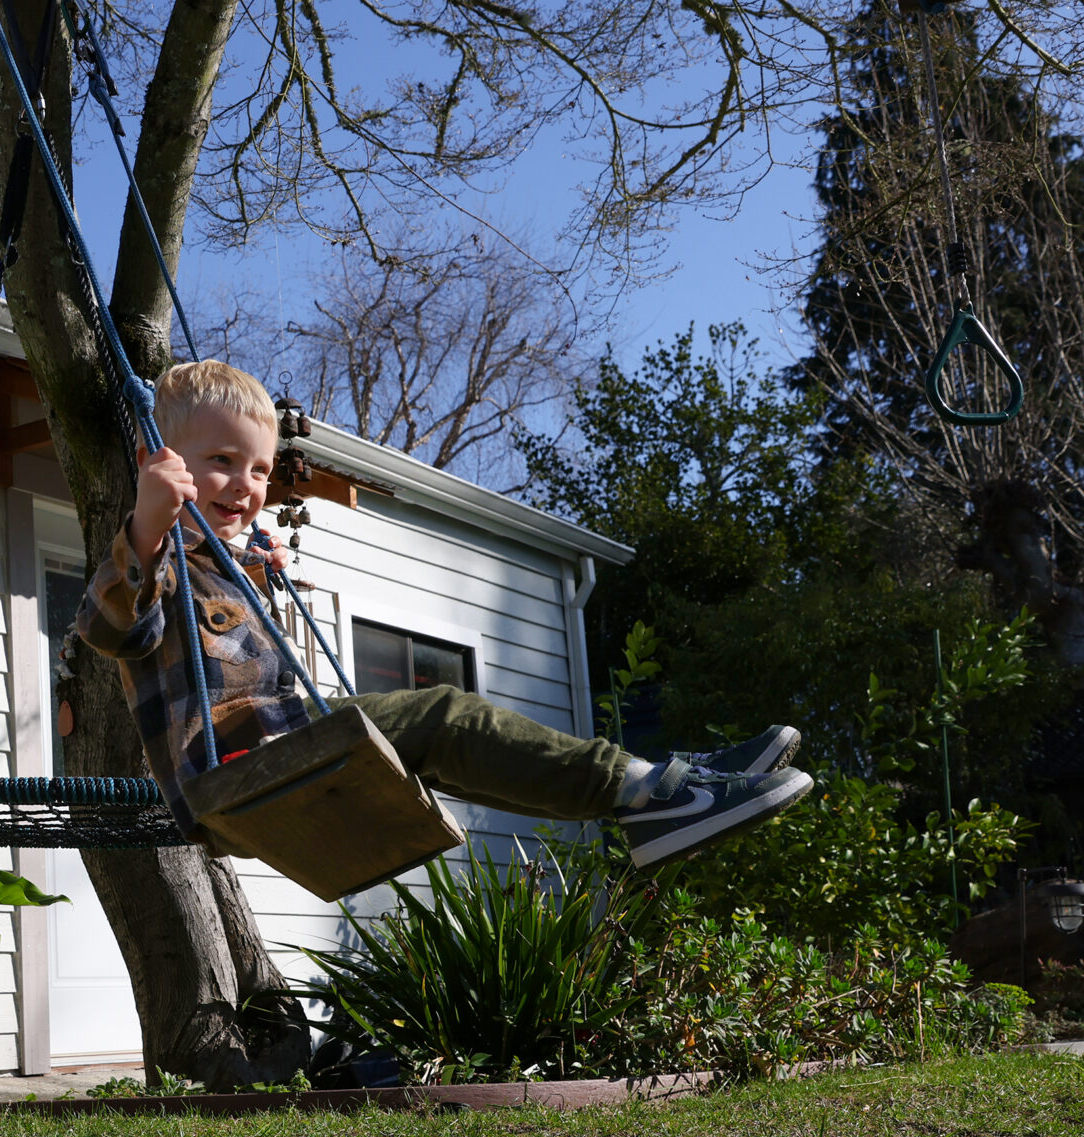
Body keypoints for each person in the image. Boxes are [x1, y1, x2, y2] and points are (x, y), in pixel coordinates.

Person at [76, 361, 813, 868]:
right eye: (222, 461)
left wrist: (254, 575)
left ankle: (652, 786)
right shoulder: (158, 552)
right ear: (161, 460)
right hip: (236, 776)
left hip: (276, 756)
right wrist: (147, 523)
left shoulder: (231, 561)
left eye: (261, 469)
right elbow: (112, 627)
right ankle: (654, 789)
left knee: (444, 749)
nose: (245, 483)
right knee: (445, 715)